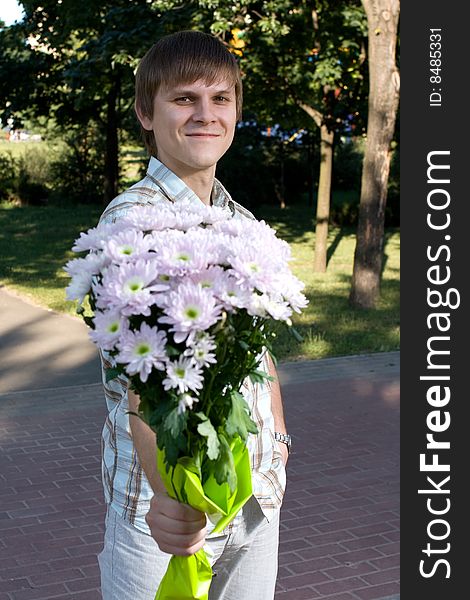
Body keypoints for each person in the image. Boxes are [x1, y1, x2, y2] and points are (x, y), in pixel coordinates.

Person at [97, 30, 291, 600]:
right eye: (184, 99)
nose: (205, 114)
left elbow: (258, 343)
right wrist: (167, 496)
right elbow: (144, 383)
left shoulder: (238, 216)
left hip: (253, 496)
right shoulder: (132, 223)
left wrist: (278, 441)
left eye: (220, 98)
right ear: (145, 113)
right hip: (171, 516)